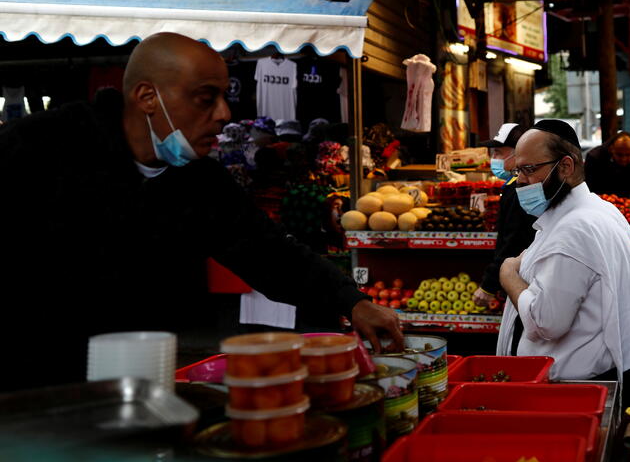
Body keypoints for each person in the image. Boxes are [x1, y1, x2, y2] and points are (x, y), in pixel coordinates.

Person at [0, 32, 403, 392]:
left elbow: (267, 250)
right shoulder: (41, 148)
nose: (225, 113)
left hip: (143, 383)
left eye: (224, 97)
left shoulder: (198, 179)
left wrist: (351, 301)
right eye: (205, 98)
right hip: (32, 386)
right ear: (147, 97)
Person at [495, 119, 630, 407]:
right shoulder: (600, 210)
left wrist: (508, 274)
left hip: (574, 389)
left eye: (529, 169)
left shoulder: (573, 230)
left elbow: (547, 322)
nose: (520, 179)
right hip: (597, 375)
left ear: (566, 167)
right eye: (517, 170)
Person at [472, 123, 536, 309]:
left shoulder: (518, 189)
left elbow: (512, 241)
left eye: (499, 152)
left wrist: (488, 286)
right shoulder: (514, 185)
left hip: (521, 278)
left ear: (519, 153)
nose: (494, 158)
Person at [583, 131, 630, 197]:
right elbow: (589, 190)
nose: (623, 159)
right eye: (619, 155)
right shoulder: (594, 157)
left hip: (628, 202)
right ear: (611, 149)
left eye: (628, 155)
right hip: (600, 199)